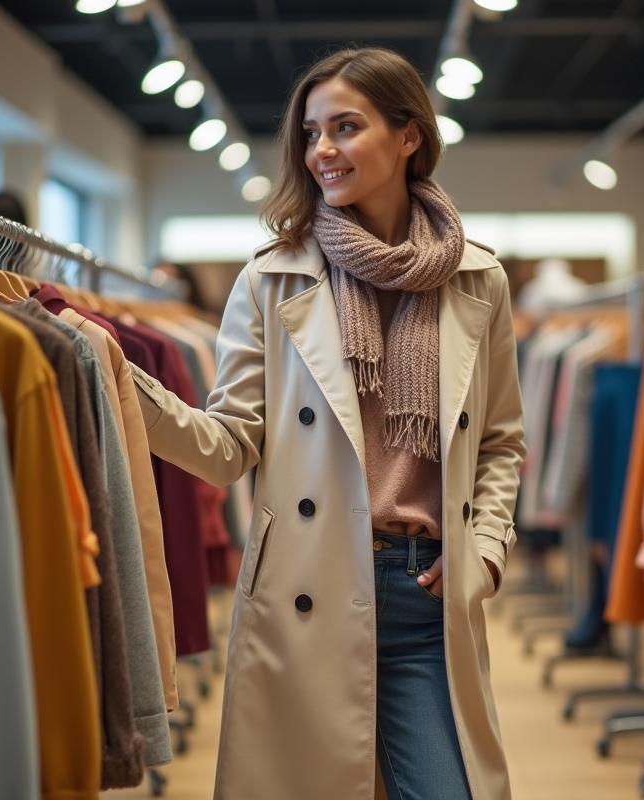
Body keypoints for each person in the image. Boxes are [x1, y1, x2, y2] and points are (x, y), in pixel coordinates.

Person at [129, 46, 526, 800]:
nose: (322, 152)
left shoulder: (478, 279)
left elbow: (502, 439)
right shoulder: (271, 277)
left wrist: (485, 551)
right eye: (310, 133)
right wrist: (121, 385)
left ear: (409, 135)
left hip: (425, 594)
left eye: (345, 127)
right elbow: (227, 449)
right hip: (306, 588)